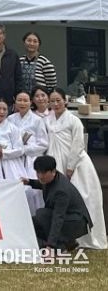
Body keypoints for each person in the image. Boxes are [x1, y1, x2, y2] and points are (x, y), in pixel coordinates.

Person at [45, 88, 107, 249]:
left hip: (75, 163)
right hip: (55, 161)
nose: (56, 104)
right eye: (52, 101)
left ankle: (86, 237)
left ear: (65, 100)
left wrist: (70, 167)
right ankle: (63, 237)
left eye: (58, 100)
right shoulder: (47, 120)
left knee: (83, 197)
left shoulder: (73, 120)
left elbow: (78, 144)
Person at [23, 156, 93, 251]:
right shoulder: (53, 177)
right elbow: (42, 184)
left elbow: (58, 218)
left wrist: (50, 246)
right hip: (66, 217)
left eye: (43, 173)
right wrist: (29, 182)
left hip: (76, 222)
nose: (40, 176)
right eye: (37, 172)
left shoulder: (61, 191)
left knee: (42, 214)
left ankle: (58, 245)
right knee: (32, 222)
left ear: (53, 171)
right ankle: (67, 242)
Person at [9, 90, 49, 213]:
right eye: (19, 100)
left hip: (31, 159)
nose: (22, 103)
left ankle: (36, 216)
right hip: (15, 159)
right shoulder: (10, 119)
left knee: (34, 190)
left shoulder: (37, 120)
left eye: (25, 100)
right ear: (15, 102)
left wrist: (25, 149)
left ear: (31, 102)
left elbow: (43, 144)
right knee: (16, 187)